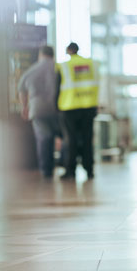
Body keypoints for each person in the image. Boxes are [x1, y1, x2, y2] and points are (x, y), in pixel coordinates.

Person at [57, 42, 99, 180]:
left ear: (68, 51)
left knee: (71, 140)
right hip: (89, 107)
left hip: (70, 108)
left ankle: (70, 170)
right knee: (87, 140)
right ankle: (89, 170)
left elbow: (57, 87)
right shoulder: (91, 64)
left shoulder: (64, 66)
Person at [18, 45, 59, 178]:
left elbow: (21, 88)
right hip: (58, 108)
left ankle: (46, 171)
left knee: (44, 139)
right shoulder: (58, 68)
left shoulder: (32, 70)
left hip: (38, 109)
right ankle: (66, 166)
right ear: (53, 55)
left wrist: (24, 107)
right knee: (65, 138)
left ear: (41, 55)